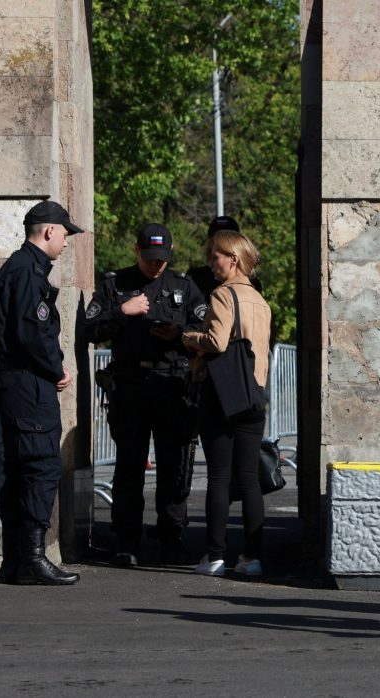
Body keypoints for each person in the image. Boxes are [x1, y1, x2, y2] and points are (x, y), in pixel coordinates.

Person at [84, 223, 207, 566]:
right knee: (129, 466)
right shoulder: (116, 284)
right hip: (131, 385)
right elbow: (89, 329)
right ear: (136, 250)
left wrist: (179, 334)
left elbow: (206, 327)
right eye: (150, 258)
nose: (156, 265)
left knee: (173, 465)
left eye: (162, 259)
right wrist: (122, 312)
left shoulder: (183, 285)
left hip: (171, 384)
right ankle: (127, 540)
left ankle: (171, 536)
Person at [0, 200, 85, 586]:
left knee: (20, 470)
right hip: (28, 385)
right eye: (64, 234)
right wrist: (56, 369)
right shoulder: (28, 272)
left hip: (17, 383)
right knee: (41, 467)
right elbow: (32, 334)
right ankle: (31, 558)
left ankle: (17, 561)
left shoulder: (18, 268)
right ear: (49, 231)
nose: (66, 242)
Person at [182, 230, 271, 578]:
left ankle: (215, 556)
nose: (210, 263)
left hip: (222, 394)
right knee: (248, 478)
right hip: (254, 394)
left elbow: (217, 342)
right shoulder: (261, 301)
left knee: (219, 477)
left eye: (215, 255)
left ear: (232, 258)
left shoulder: (222, 294)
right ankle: (252, 557)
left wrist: (189, 337)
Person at [188, 215, 263, 299]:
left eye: (227, 240)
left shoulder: (251, 283)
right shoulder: (194, 278)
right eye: (216, 239)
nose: (219, 244)